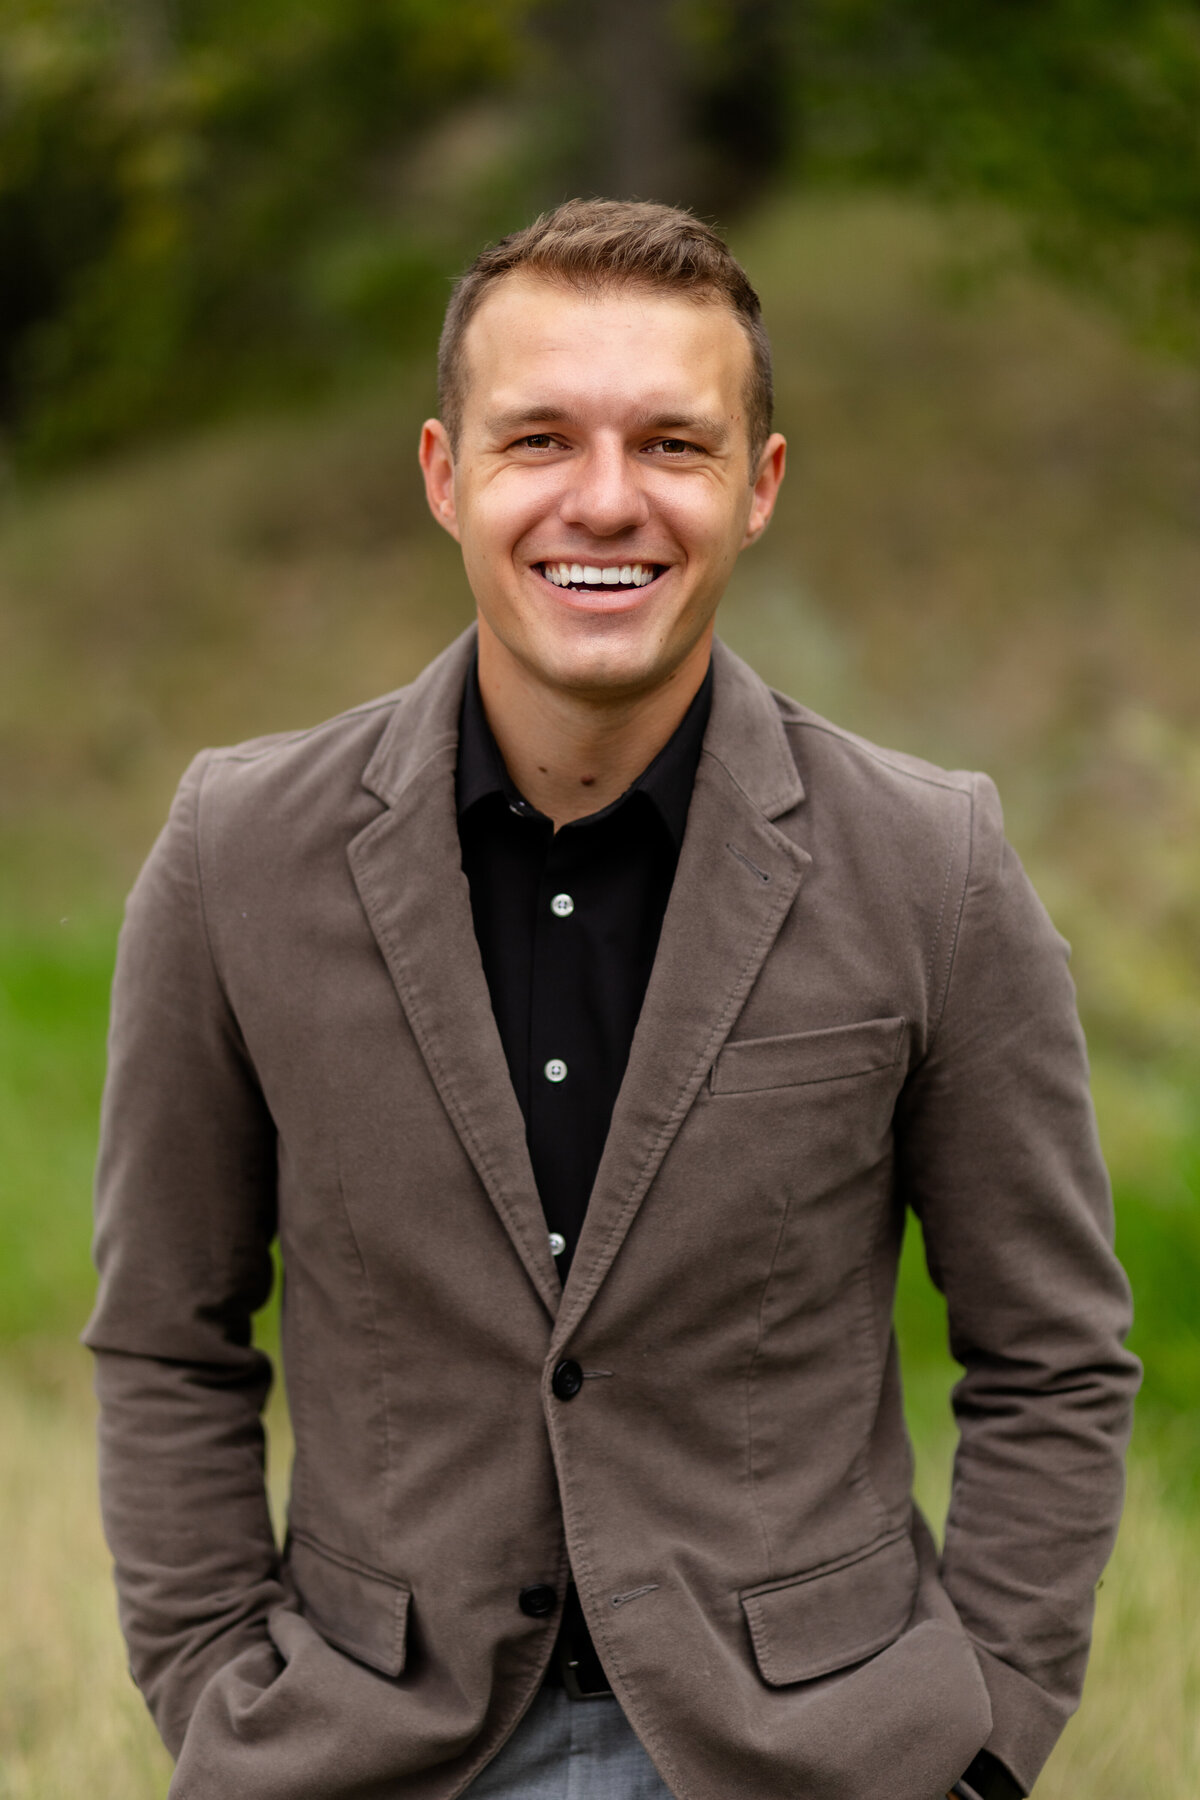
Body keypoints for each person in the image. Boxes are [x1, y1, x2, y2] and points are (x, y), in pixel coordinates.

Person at [87, 199, 1139, 1800]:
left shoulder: (936, 864)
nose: (605, 500)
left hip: (817, 1758)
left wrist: (983, 1746)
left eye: (671, 443)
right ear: (445, 474)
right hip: (368, 1752)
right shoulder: (236, 852)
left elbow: (1054, 1352)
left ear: (759, 486)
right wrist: (216, 1698)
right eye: (539, 440)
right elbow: (167, 1336)